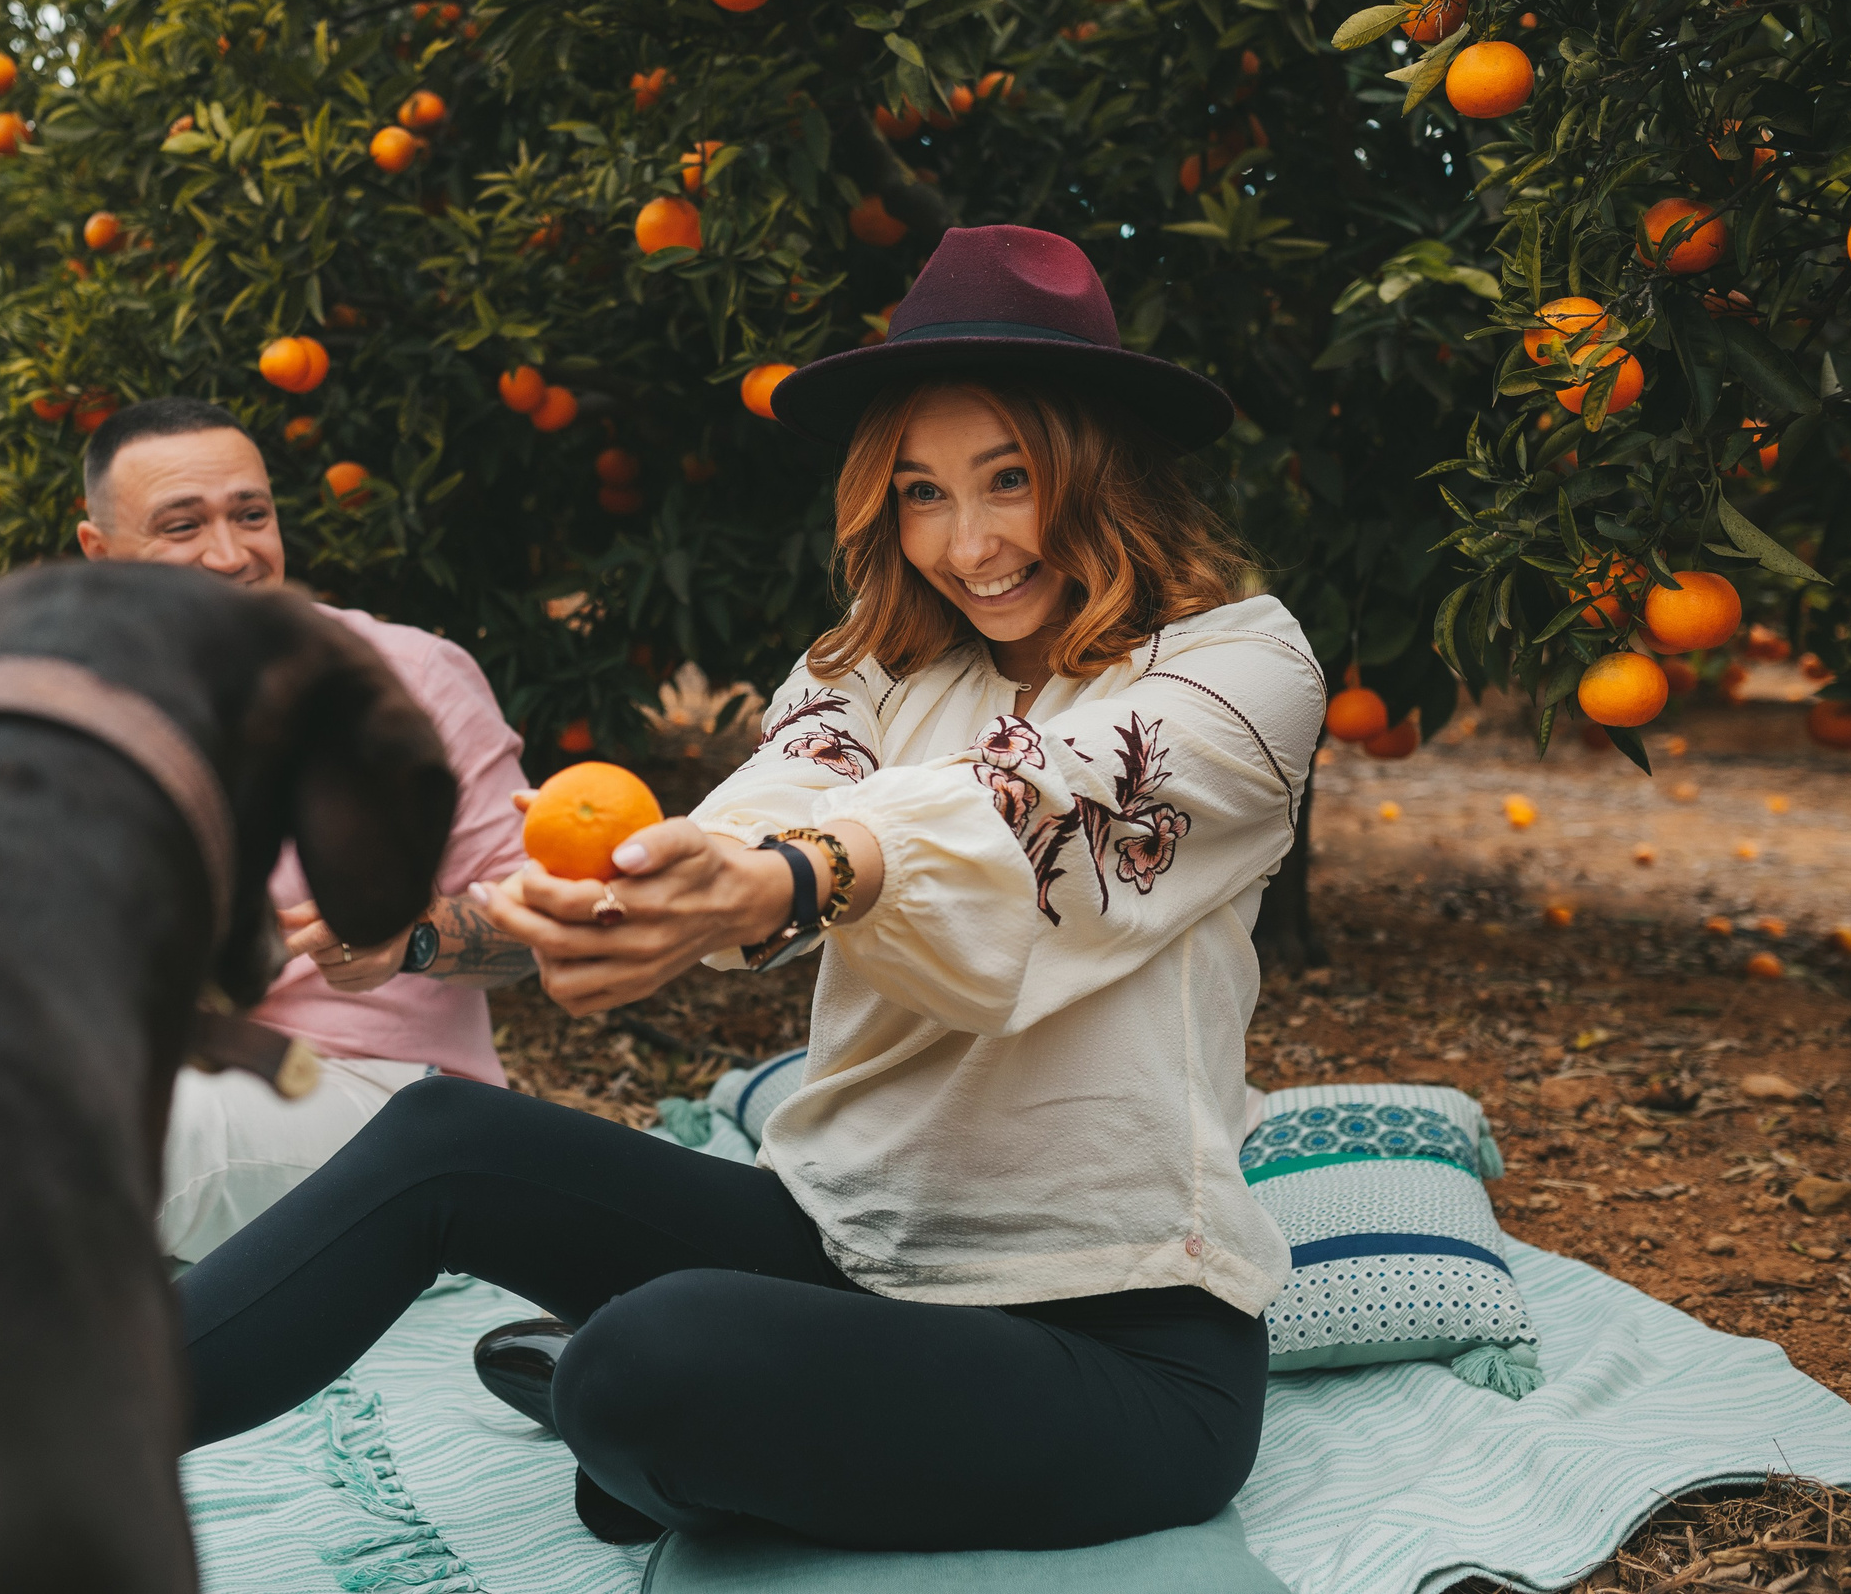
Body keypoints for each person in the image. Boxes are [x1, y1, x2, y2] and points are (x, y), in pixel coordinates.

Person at [174, 227, 1321, 1553]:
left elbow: (1034, 797)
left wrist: (803, 870)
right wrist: (585, 901)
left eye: (1011, 478)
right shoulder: (872, 672)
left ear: (1102, 468)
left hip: (1115, 1337)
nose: (973, 541)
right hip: (841, 1239)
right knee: (448, 1135)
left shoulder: (1242, 667)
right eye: (921, 492)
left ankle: (650, 1410)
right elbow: (766, 806)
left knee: (647, 1360)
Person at [73, 397, 538, 1263]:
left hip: (389, 1105)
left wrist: (416, 938)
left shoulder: (410, 680)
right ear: (102, 554)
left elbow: (547, 928)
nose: (230, 554)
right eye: (182, 526)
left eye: (250, 514)